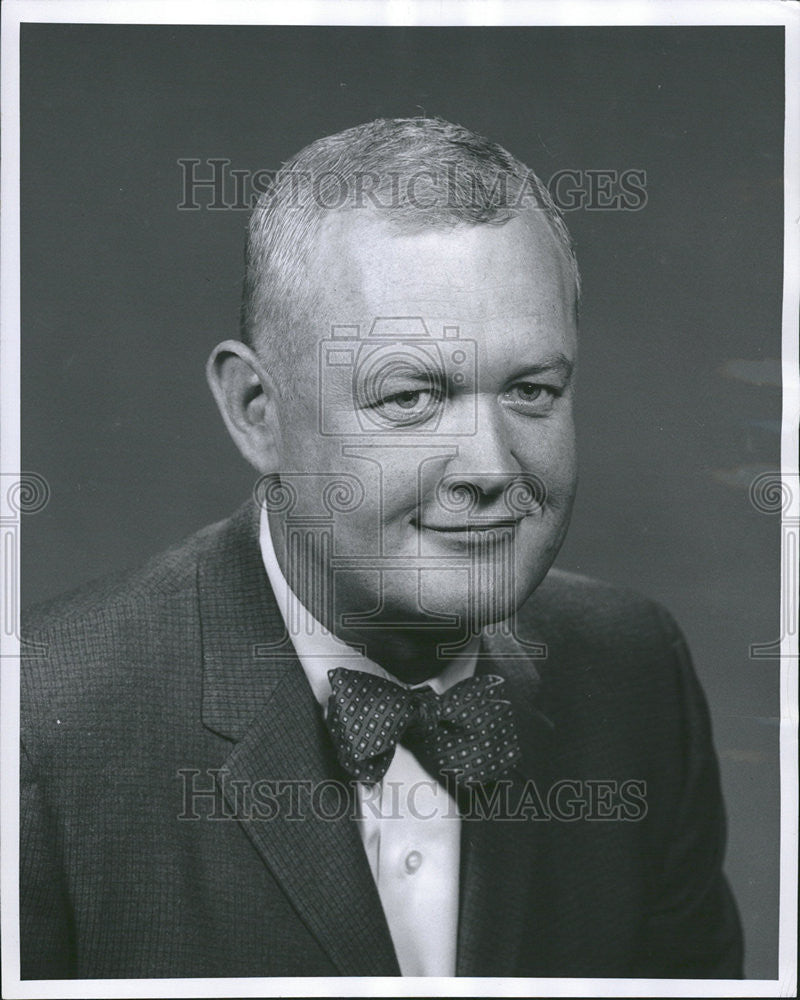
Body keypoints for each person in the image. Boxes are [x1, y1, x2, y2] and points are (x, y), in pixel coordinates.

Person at [21, 117, 743, 979]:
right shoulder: (35, 727)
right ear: (258, 409)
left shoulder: (637, 673)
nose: (489, 467)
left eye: (531, 389)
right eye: (409, 396)